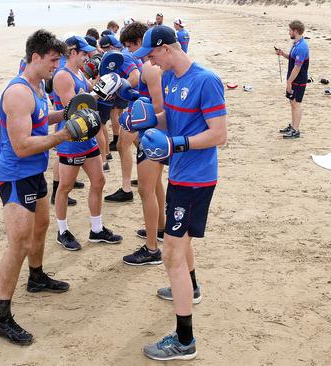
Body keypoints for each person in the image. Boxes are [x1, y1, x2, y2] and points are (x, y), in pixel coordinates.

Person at [0, 29, 103, 345]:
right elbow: (22, 145)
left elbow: (41, 118)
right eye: (53, 60)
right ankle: (1, 318)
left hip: (34, 172)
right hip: (15, 175)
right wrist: (65, 134)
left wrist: (71, 113)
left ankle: (36, 278)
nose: (57, 65)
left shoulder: (39, 87)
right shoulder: (18, 93)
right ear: (35, 57)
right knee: (19, 244)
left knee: (42, 225)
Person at [133, 25, 228, 361]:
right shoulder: (171, 78)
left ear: (167, 49)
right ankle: (193, 286)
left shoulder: (206, 80)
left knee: (171, 254)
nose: (151, 62)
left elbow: (219, 134)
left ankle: (185, 340)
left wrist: (177, 143)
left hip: (197, 180)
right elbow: (170, 119)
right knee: (181, 245)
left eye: (153, 55)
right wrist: (147, 121)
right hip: (180, 174)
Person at [53, 36, 123, 250]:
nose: (87, 57)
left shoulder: (79, 72)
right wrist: (97, 93)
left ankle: (96, 229)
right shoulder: (63, 76)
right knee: (65, 187)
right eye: (84, 53)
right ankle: (62, 231)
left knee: (99, 181)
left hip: (88, 136)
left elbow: (88, 93)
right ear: (72, 52)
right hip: (72, 138)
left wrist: (104, 86)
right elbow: (74, 109)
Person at [119, 22, 166, 266]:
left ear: (142, 42)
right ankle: (160, 229)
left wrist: (137, 118)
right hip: (153, 135)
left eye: (132, 45)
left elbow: (159, 107)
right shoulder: (152, 66)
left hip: (153, 135)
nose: (129, 51)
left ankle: (151, 249)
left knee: (145, 190)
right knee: (155, 185)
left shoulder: (150, 67)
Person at [99, 34, 141, 203]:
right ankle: (145, 172)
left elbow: (135, 76)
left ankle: (126, 189)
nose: (129, 50)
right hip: (136, 104)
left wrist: (122, 87)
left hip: (137, 106)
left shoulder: (121, 57)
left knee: (122, 145)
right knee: (139, 143)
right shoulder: (113, 59)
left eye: (130, 46)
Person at [275, 20, 309, 139]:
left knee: (296, 104)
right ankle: (293, 126)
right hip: (293, 79)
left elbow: (297, 67)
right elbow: (292, 59)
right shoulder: (296, 44)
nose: (288, 32)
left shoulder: (302, 46)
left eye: (290, 30)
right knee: (292, 102)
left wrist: (289, 82)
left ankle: (296, 130)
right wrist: (282, 54)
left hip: (298, 80)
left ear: (295, 31)